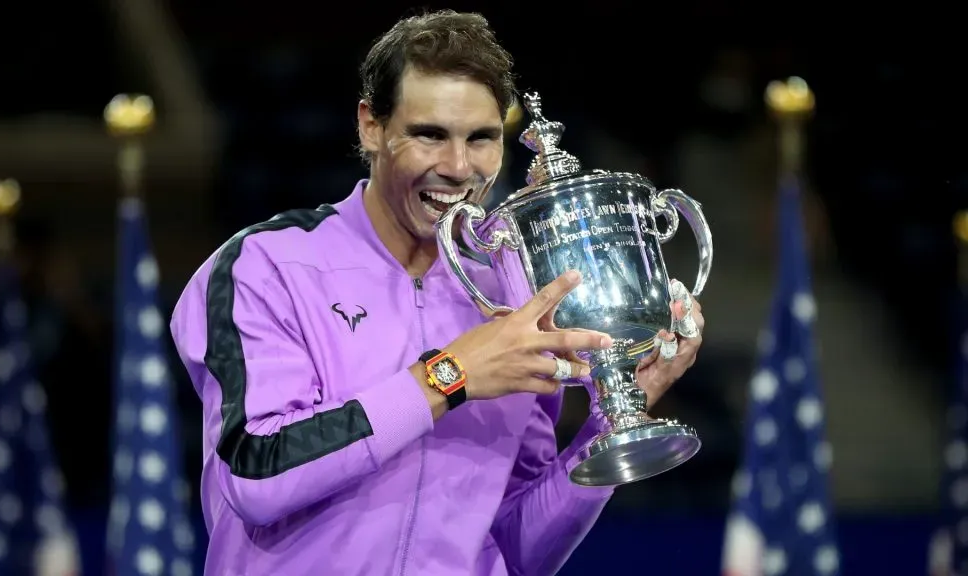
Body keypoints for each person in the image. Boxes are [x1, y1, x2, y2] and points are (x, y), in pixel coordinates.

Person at [170, 9, 706, 575]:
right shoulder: (266, 266)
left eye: (481, 138)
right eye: (430, 135)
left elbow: (519, 551)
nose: (457, 167)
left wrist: (607, 427)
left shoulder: (515, 293)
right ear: (370, 128)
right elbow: (256, 475)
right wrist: (449, 376)